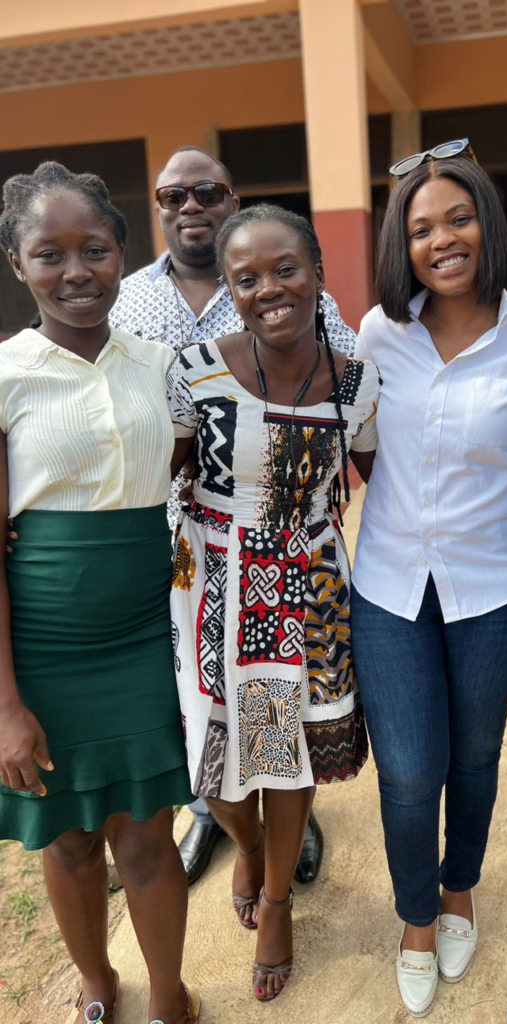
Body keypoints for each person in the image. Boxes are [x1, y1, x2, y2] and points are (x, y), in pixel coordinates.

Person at [352, 142, 507, 1018]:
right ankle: (415, 919)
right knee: (409, 770)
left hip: (492, 589)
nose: (441, 240)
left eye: (458, 217)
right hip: (390, 586)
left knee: (475, 758)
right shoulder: (379, 333)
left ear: (488, 221)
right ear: (399, 246)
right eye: (419, 228)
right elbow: (357, 436)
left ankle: (458, 892)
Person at [111, 146, 354, 887]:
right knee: (199, 707)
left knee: (277, 713)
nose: (189, 205)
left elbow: (344, 405)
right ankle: (219, 821)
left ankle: (287, 823)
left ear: (232, 200)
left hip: (286, 543)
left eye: (207, 191)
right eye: (172, 194)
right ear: (158, 207)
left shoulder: (298, 292)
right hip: (183, 545)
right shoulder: (126, 300)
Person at [0, 163, 199, 1024]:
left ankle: (164, 996)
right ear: (18, 265)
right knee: (71, 837)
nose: (75, 271)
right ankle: (96, 982)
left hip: (146, 633)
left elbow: (188, 473)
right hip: (43, 647)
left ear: (124, 255)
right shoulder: (4, 375)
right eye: (50, 253)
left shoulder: (161, 365)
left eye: (95, 249)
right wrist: (5, 703)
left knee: (149, 835)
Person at [166, 204, 379, 1001]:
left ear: (319, 271)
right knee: (219, 773)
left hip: (305, 589)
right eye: (245, 277)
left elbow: (371, 482)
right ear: (229, 289)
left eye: (285, 268)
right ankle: (246, 848)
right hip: (214, 587)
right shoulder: (193, 369)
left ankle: (280, 899)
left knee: (284, 756)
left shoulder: (356, 380)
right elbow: (173, 474)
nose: (269, 289)